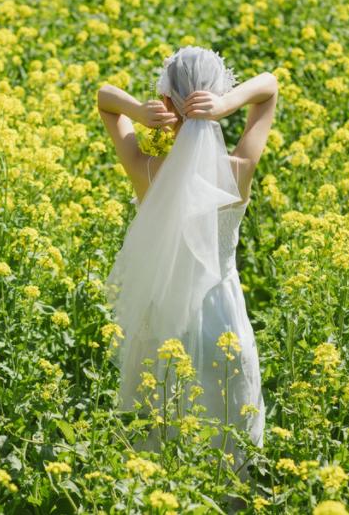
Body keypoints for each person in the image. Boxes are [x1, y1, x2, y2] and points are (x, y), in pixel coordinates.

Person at [96, 45, 278, 480]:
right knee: (227, 457)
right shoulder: (238, 170)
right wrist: (226, 105)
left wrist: (140, 113)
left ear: (166, 104)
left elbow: (105, 99)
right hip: (224, 326)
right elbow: (268, 88)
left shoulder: (149, 172)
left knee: (163, 453)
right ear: (216, 97)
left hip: (165, 329)